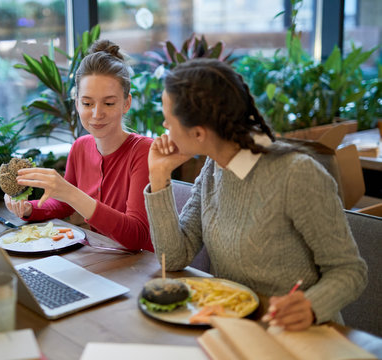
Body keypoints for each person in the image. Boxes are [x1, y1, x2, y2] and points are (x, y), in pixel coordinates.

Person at [144, 58, 367, 330]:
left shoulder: (296, 174)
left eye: (168, 120)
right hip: (234, 328)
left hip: (298, 334)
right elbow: (174, 258)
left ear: (199, 133)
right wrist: (158, 176)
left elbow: (350, 271)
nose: (165, 127)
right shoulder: (215, 166)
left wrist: (311, 306)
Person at [5, 39, 153, 252]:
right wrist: (29, 208)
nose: (96, 113)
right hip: (100, 258)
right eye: (87, 103)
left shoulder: (144, 151)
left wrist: (69, 192)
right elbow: (63, 204)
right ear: (77, 104)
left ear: (126, 103)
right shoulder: (80, 147)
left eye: (109, 103)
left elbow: (136, 236)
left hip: (139, 269)